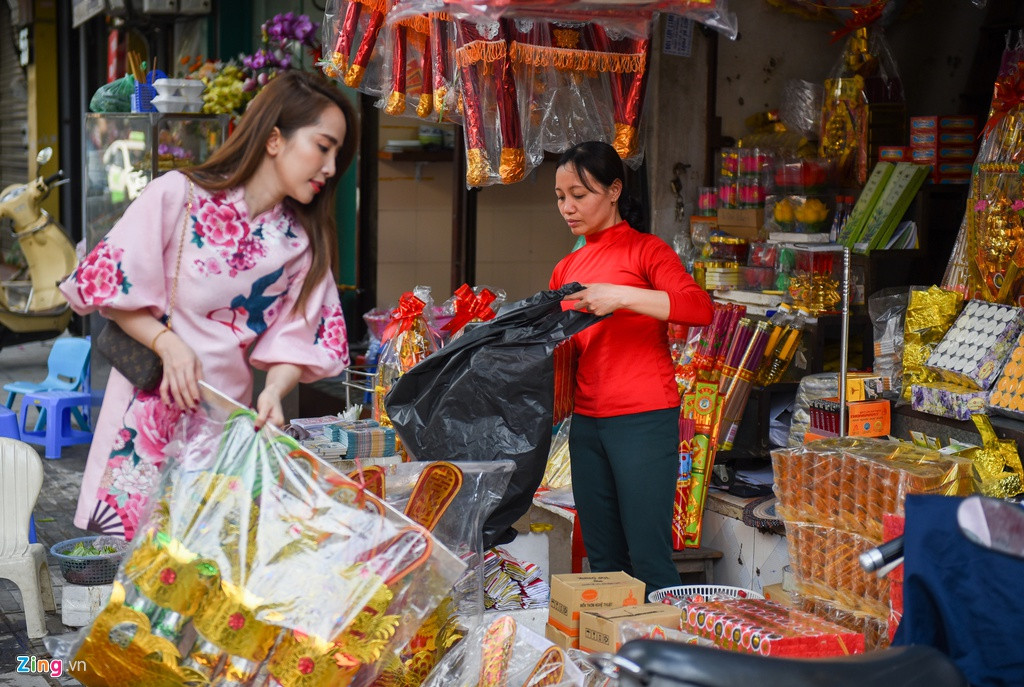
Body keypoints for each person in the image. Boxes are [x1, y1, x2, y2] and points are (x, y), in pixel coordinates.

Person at [59, 70, 358, 540]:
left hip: (222, 426)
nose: (330, 166)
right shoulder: (178, 195)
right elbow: (111, 287)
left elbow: (294, 345)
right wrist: (168, 344)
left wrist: (273, 393)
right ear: (275, 139)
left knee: (202, 576)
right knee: (134, 578)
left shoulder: (300, 243)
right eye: (323, 147)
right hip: (146, 413)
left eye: (338, 154)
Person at [549, 140, 714, 594]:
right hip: (587, 424)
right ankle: (609, 660)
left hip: (642, 419)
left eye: (579, 195)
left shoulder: (647, 252)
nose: (568, 207)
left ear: (615, 190)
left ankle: (663, 656)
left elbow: (699, 308)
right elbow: (562, 348)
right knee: (602, 559)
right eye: (561, 197)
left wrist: (620, 296)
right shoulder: (566, 267)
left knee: (647, 555)